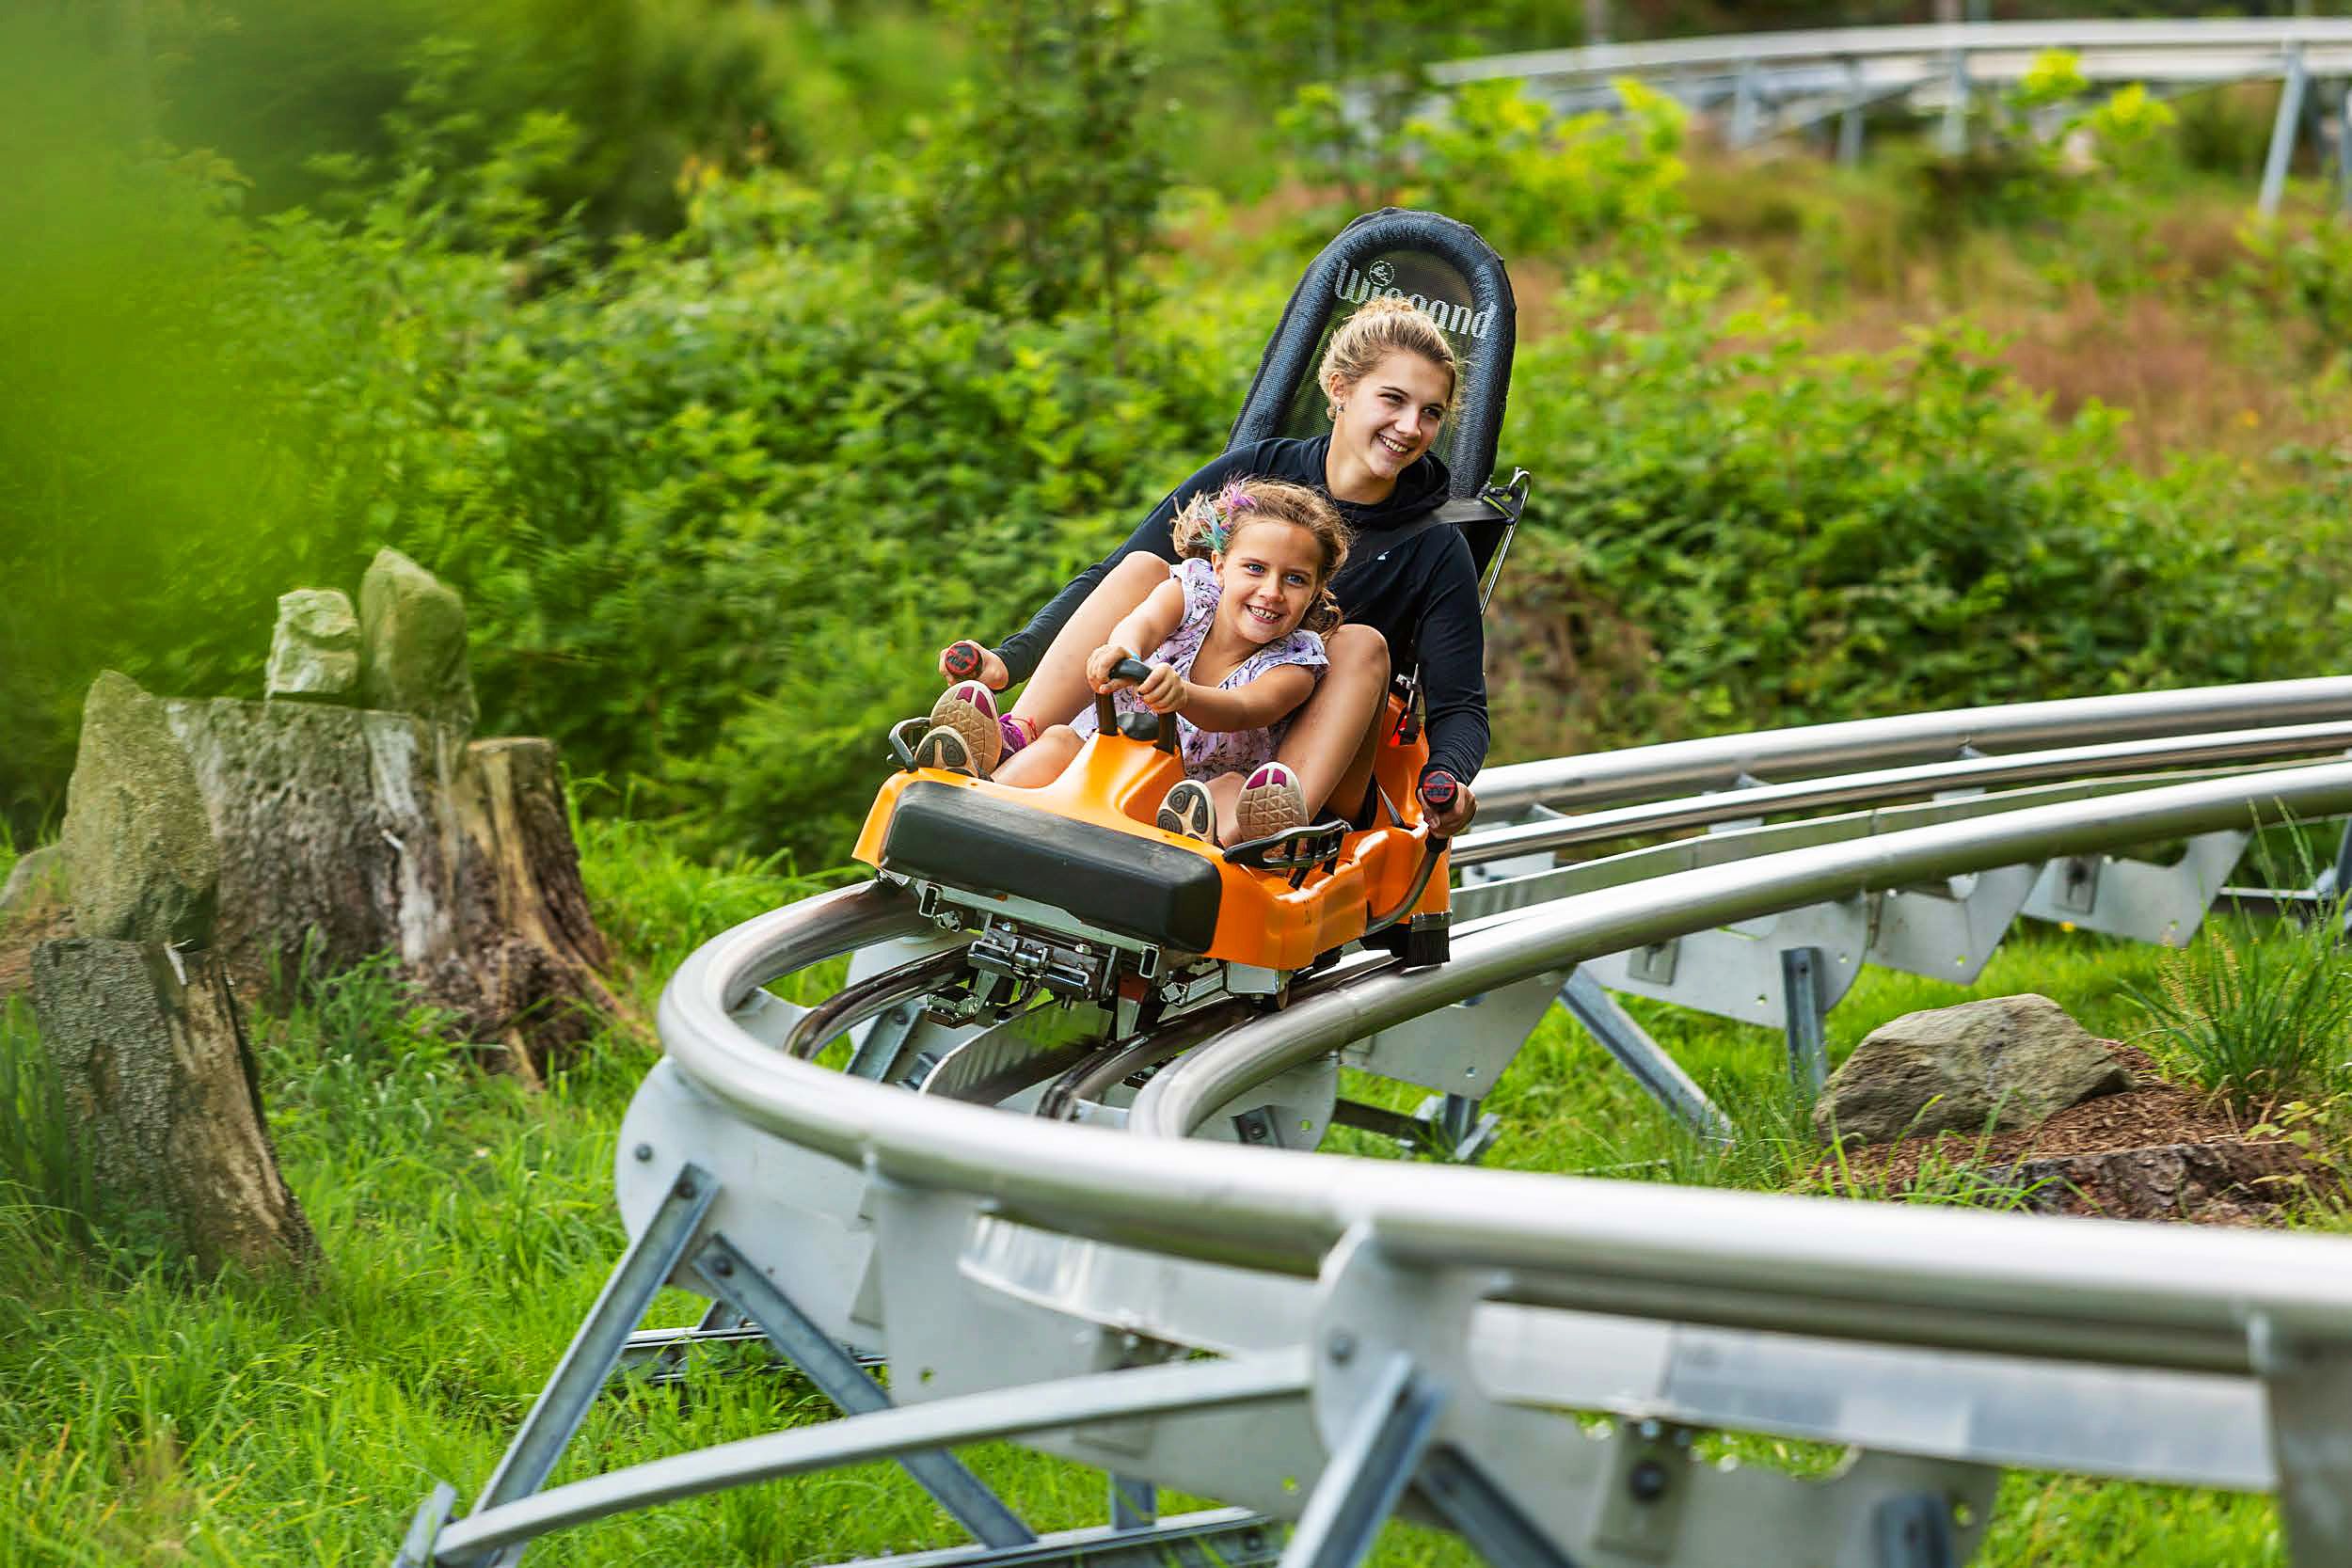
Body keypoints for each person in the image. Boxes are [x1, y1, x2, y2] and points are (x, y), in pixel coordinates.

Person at [937, 293, 1485, 837]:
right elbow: (1114, 582)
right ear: (1340, 389)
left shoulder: (1436, 544)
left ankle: (1267, 823)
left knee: (1359, 642)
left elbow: (1461, 704)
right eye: (1393, 400)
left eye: (1430, 413)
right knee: (1143, 570)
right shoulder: (1252, 476)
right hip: (1170, 720)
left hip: (1293, 746)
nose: (1411, 428)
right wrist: (1011, 660)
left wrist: (1447, 777)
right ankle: (1015, 738)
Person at [914, 478, 1350, 844]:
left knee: (1230, 790)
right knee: (1061, 740)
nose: (1271, 592)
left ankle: (1205, 839)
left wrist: (1183, 696)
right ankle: (980, 793)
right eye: (1255, 569)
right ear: (1219, 566)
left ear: (1314, 591)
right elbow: (1142, 622)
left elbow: (1243, 709)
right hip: (1103, 758)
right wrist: (1123, 651)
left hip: (1185, 790)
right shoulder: (1193, 593)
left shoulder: (1297, 661)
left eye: (1294, 579)